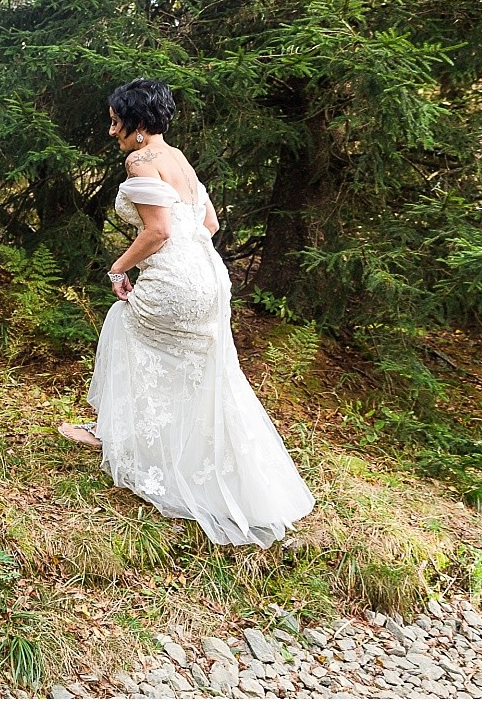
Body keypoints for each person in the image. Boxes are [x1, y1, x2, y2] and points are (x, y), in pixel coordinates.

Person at [59, 78, 314, 548]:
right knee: (206, 371)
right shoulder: (179, 158)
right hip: (211, 279)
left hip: (178, 279)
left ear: (136, 123)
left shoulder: (141, 160)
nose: (111, 129)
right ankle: (215, 468)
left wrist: (118, 269)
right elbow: (209, 223)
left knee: (122, 326)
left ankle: (113, 434)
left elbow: (156, 232)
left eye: (115, 120)